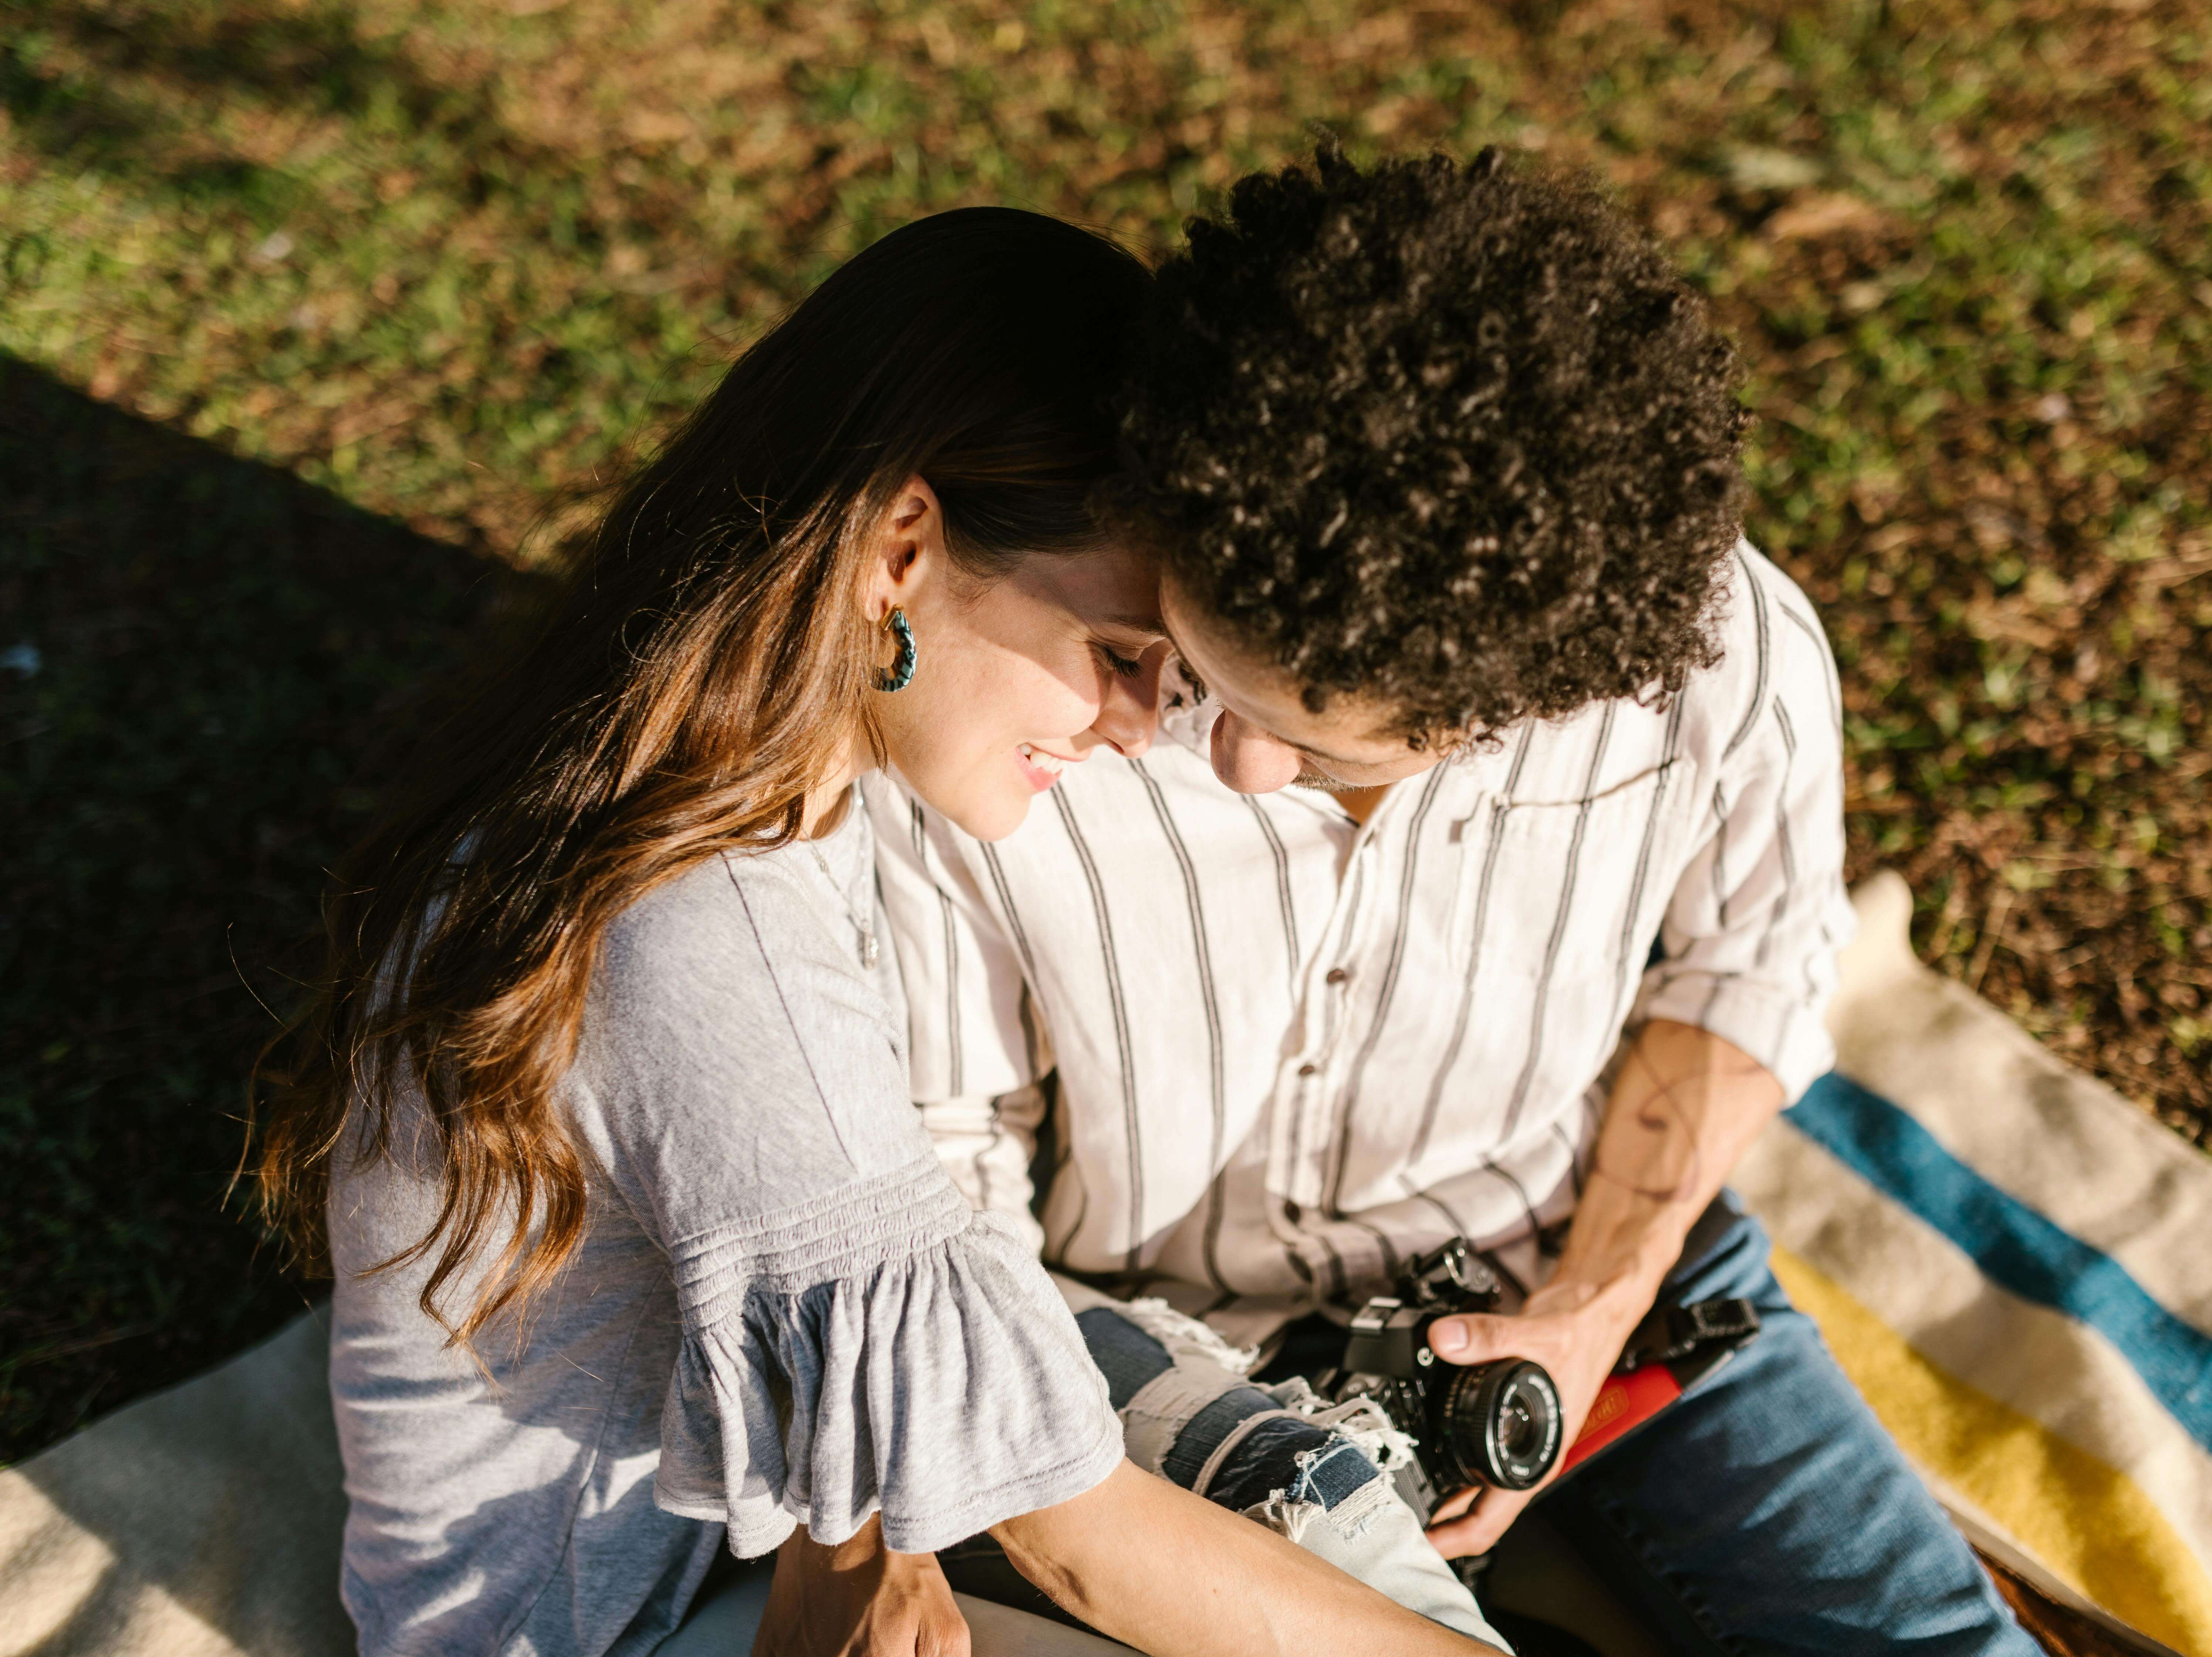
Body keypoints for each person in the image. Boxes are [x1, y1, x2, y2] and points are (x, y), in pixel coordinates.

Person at [253, 206, 1502, 1657]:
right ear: (902, 544)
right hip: (616, 1629)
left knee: (1312, 1508)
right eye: (1116, 655)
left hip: (732, 1546)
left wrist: (855, 1534)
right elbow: (1067, 1529)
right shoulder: (699, 927)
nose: (1135, 725)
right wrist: (866, 1542)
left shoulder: (727, 764)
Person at [867, 152, 2048, 1655]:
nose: (1230, 759)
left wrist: (1599, 1303)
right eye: (1198, 671)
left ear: (1524, 709)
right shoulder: (1015, 700)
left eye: (1316, 740)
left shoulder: (1719, 654)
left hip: (1575, 1277)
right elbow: (939, 1159)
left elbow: (1747, 971)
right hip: (1160, 1337)